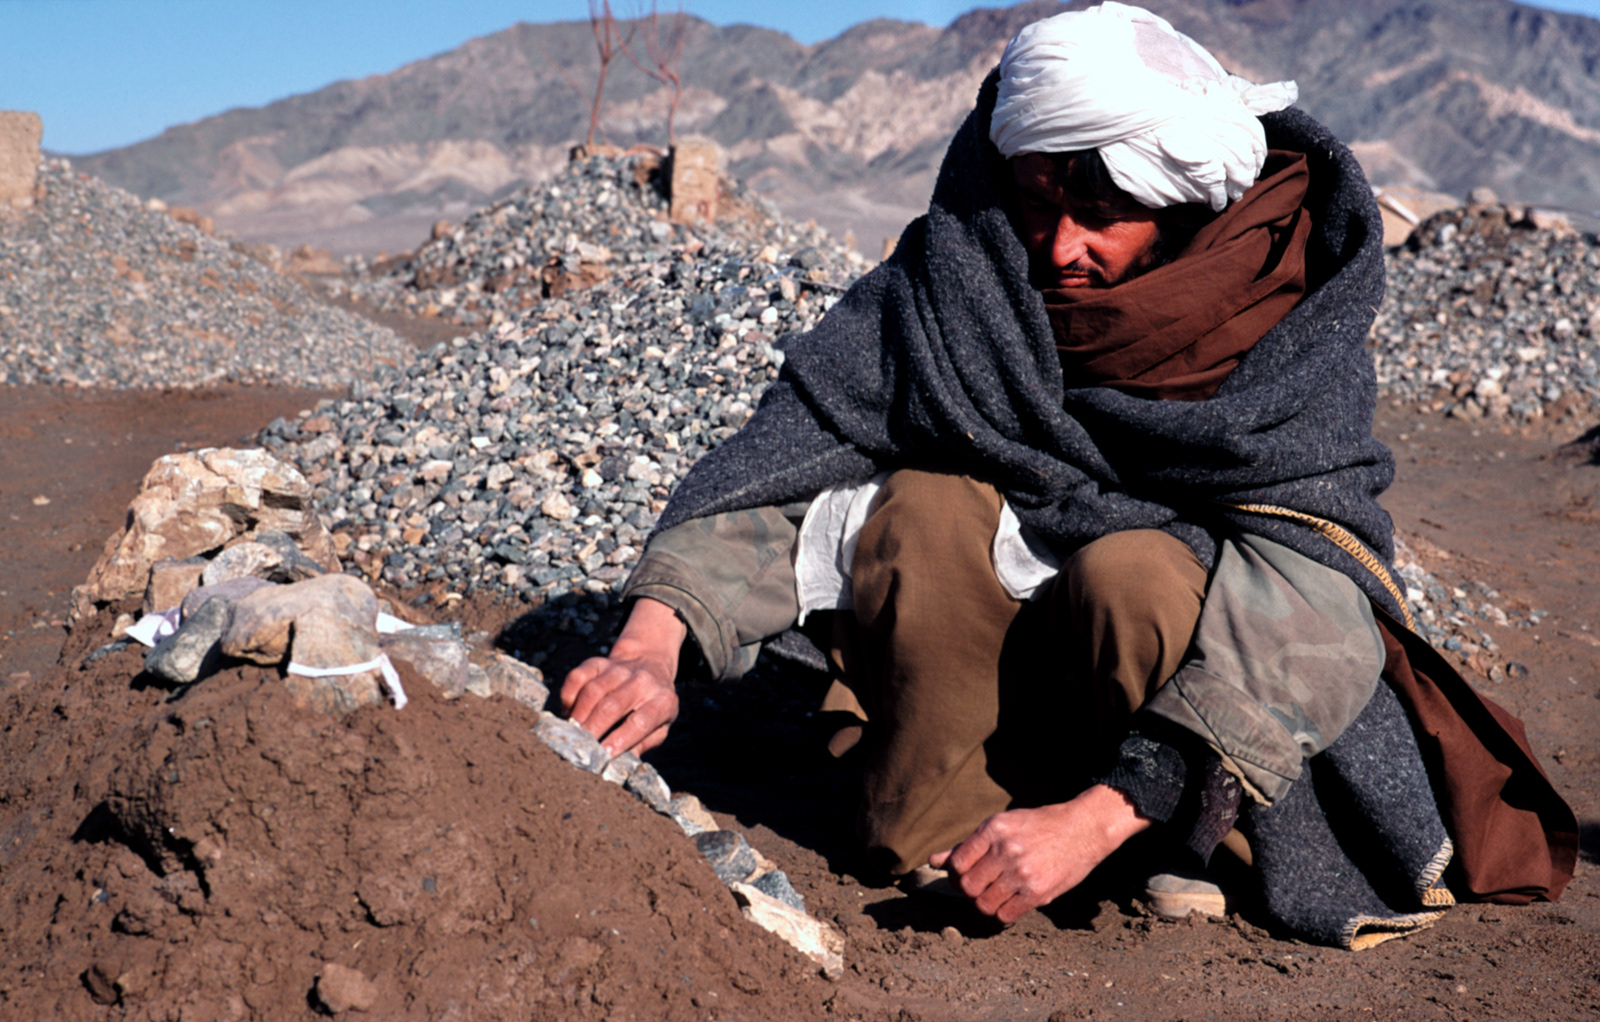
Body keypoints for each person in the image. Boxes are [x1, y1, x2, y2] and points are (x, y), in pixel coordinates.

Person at [561, 3, 1573, 947]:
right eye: (1038, 203)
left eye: (1098, 214)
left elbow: (1314, 599)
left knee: (1140, 571)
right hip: (985, 669)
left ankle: (1155, 837)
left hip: (1161, 712)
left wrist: (1097, 817)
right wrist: (654, 640)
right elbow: (783, 461)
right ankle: (951, 828)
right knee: (919, 504)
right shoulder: (959, 282)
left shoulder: (1282, 333)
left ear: (1177, 208)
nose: (1058, 247)